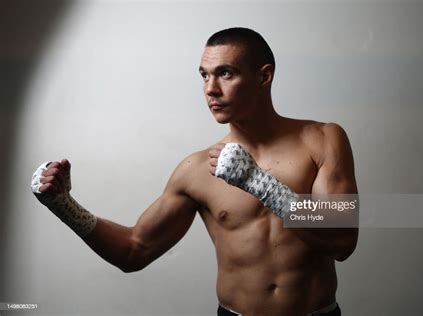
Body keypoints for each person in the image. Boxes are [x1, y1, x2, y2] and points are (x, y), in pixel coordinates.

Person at [31, 27, 358, 316]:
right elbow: (134, 250)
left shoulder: (321, 140)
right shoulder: (197, 170)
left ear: (264, 76)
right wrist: (64, 205)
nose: (210, 89)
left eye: (226, 73)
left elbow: (343, 239)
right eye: (204, 75)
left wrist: (261, 185)